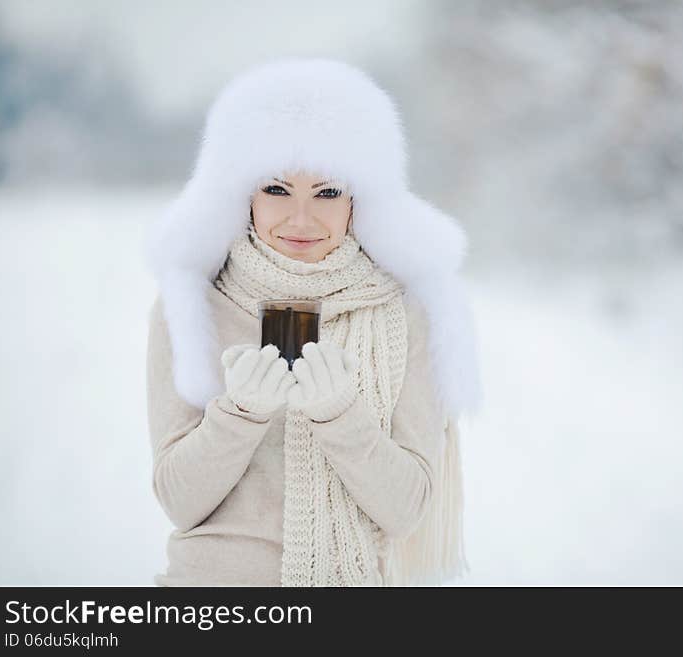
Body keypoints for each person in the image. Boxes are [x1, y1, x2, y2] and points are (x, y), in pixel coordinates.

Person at [143, 57, 483, 586]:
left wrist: (340, 416)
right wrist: (239, 415)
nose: (301, 219)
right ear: (243, 194)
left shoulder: (405, 315)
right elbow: (178, 500)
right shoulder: (192, 309)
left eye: (327, 192)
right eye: (277, 189)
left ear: (358, 200)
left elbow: (406, 509)